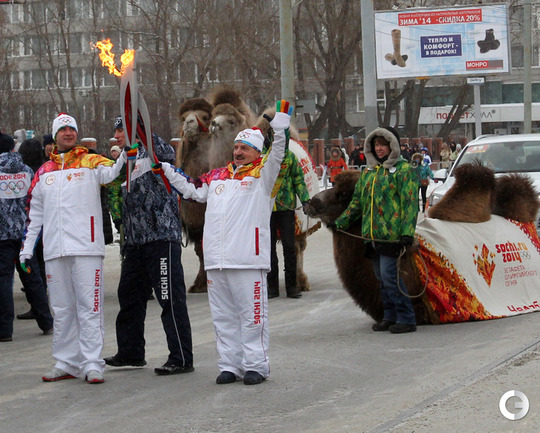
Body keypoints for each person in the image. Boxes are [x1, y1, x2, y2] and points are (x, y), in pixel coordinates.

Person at [158, 100, 292, 385]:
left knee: (252, 317)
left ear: (257, 152)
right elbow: (191, 189)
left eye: (245, 148)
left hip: (247, 260)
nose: (239, 151)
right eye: (237, 147)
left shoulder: (263, 176)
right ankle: (230, 365)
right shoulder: (217, 177)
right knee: (223, 318)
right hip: (217, 262)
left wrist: (280, 129)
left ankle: (256, 365)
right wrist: (166, 170)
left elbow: (278, 155)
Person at [19, 113, 125, 383]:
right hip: (55, 250)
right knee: (62, 309)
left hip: (86, 248)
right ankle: (66, 361)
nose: (68, 133)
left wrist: (126, 155)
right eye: (63, 129)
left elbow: (114, 172)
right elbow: (34, 216)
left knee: (89, 307)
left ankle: (92, 362)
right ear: (55, 136)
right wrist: (26, 249)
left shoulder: (91, 161)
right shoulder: (44, 172)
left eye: (72, 129)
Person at [104, 116, 194, 377]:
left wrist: (142, 129)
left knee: (169, 299)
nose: (116, 136)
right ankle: (131, 352)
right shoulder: (126, 159)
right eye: (116, 131)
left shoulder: (155, 150)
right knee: (129, 297)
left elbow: (166, 154)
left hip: (161, 239)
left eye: (120, 130)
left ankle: (181, 357)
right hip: (135, 243)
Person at [333, 126, 419, 334]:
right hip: (372, 235)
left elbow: (410, 204)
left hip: (392, 236)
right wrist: (340, 223)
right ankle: (389, 316)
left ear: (393, 146)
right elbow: (357, 203)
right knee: (381, 277)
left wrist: (407, 232)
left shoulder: (404, 170)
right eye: (376, 145)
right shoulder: (369, 173)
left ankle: (406, 317)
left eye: (383, 145)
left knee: (390, 276)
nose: (379, 149)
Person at [0, 132, 38, 342]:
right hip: (25, 234)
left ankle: (5, 330)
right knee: (32, 277)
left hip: (2, 236)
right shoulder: (27, 170)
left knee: (4, 281)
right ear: (12, 149)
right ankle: (46, 321)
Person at [14, 138, 54, 331]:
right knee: (40, 266)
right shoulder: (44, 171)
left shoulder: (25, 173)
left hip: (28, 227)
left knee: (31, 268)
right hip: (44, 225)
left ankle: (38, 305)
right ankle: (44, 309)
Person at [267, 148, 310, 299]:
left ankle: (292, 286)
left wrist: (305, 200)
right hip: (266, 209)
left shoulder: (290, 157)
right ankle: (272, 286)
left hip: (286, 207)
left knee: (290, 247)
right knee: (268, 248)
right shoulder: (261, 157)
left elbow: (298, 180)